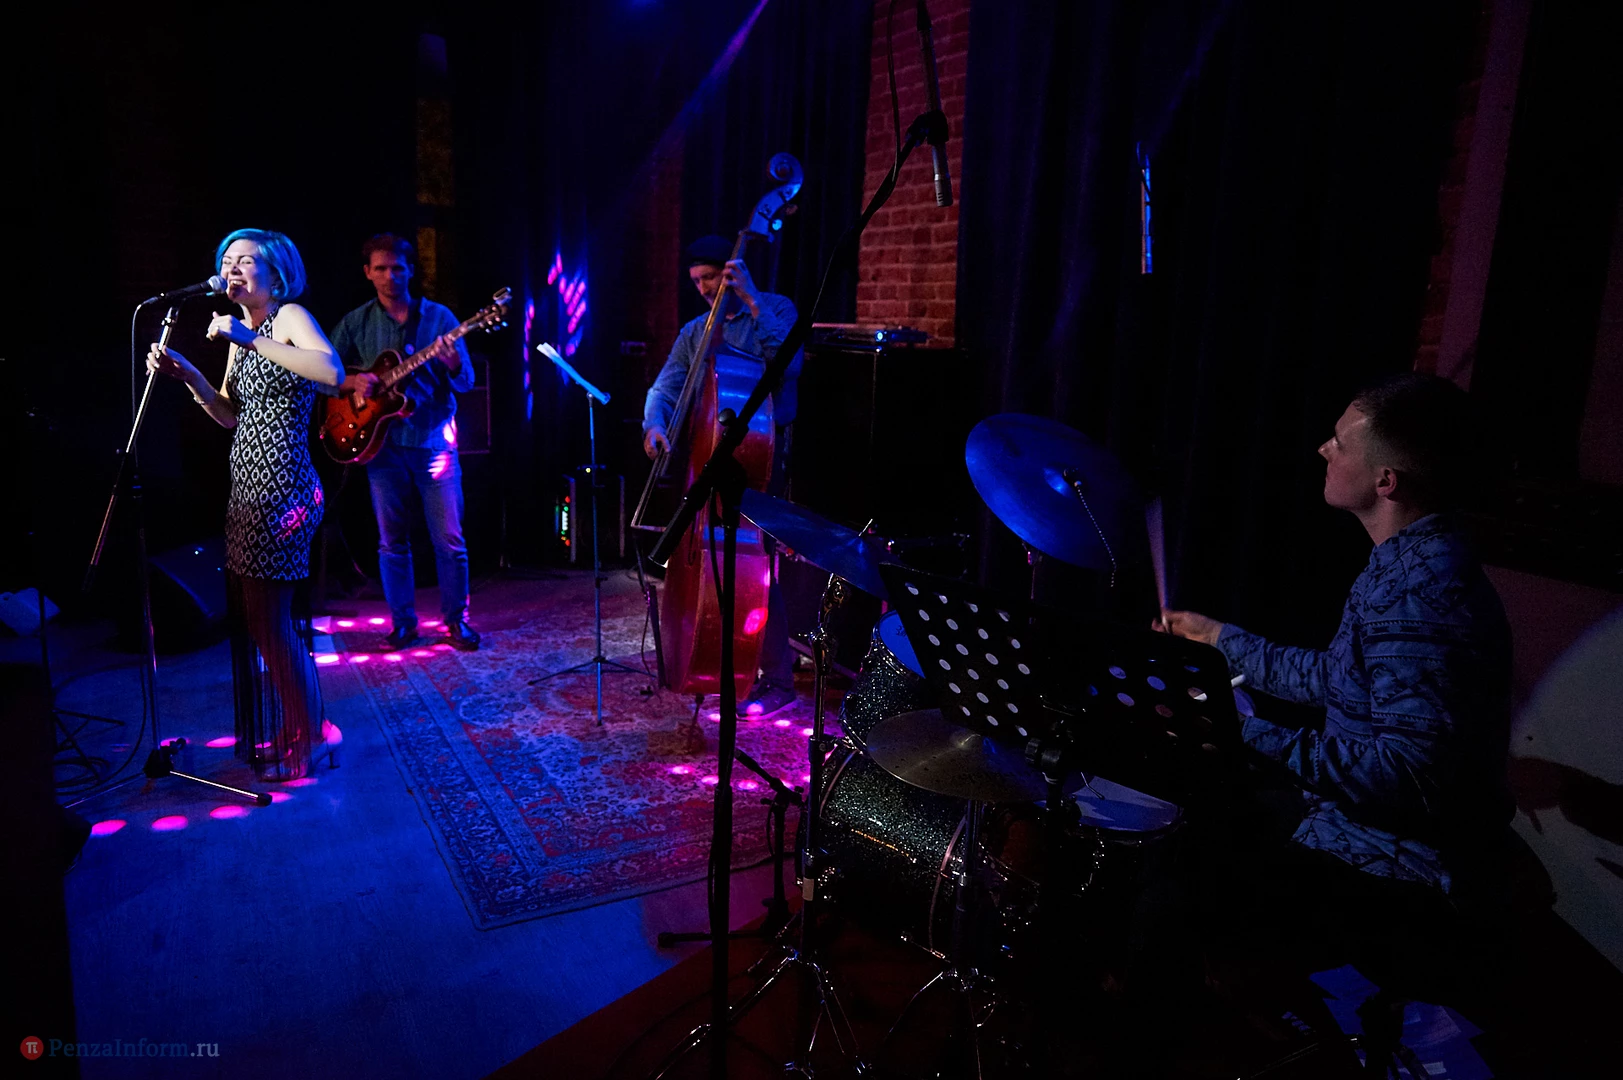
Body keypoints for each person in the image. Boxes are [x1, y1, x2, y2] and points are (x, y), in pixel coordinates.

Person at [1156, 372, 1514, 1011]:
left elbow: (1405, 775)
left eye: (1341, 442)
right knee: (1199, 818)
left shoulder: (1422, 593)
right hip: (1352, 823)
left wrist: (1232, 729)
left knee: (1181, 862)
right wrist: (1218, 639)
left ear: (1386, 481)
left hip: (1390, 863)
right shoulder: (1405, 560)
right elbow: (1337, 680)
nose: (1324, 448)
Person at [147, 228, 344, 781]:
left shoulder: (288, 317)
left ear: (276, 274)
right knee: (263, 623)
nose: (231, 269)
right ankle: (301, 724)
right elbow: (231, 415)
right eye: (227, 260)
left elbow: (332, 374)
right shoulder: (242, 334)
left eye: (245, 261)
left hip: (285, 487)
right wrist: (189, 376)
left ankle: (319, 732)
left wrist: (251, 339)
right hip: (248, 488)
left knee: (273, 622)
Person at [643, 235, 803, 724]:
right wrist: (654, 423)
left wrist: (752, 300)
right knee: (704, 563)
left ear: (732, 272)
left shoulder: (775, 309)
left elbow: (790, 364)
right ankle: (710, 657)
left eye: (710, 277)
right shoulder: (696, 331)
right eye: (696, 281)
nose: (703, 289)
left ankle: (779, 680)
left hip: (763, 458)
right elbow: (665, 386)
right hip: (707, 457)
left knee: (756, 569)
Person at [326, 234, 479, 651]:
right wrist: (354, 381)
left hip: (433, 442)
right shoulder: (356, 322)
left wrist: (452, 361)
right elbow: (322, 373)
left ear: (411, 271)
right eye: (381, 268)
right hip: (382, 447)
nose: (390, 275)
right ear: (367, 273)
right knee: (391, 541)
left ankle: (457, 621)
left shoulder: (441, 318)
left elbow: (466, 382)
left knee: (449, 540)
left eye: (397, 268)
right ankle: (402, 624)